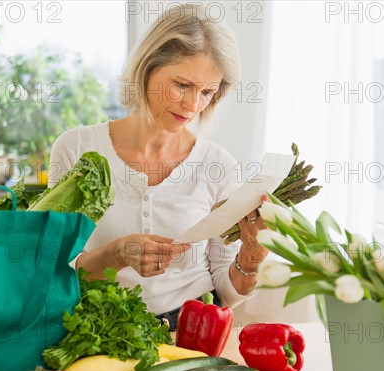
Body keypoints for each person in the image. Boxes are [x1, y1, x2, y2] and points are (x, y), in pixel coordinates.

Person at [48, 3, 268, 330]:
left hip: (193, 333)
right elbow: (53, 270)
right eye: (182, 85)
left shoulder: (218, 164)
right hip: (98, 330)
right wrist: (115, 255)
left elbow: (226, 290)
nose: (193, 105)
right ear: (148, 68)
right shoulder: (77, 149)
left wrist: (251, 256)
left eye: (207, 92)